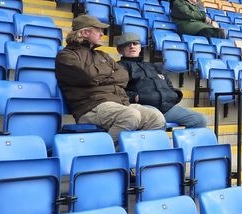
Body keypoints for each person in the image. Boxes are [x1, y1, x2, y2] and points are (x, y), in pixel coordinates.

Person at [55, 15, 166, 143]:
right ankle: (107, 155)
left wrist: (99, 77)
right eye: (98, 30)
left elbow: (123, 76)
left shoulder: (102, 55)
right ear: (85, 32)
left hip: (119, 103)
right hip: (90, 108)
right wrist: (109, 74)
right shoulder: (66, 55)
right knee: (130, 116)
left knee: (156, 117)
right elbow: (88, 77)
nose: (102, 34)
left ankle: (133, 153)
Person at [115, 33, 207, 128]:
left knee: (199, 119)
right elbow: (116, 91)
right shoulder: (119, 67)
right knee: (158, 121)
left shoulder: (154, 66)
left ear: (140, 48)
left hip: (166, 107)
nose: (132, 46)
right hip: (143, 107)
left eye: (135, 43)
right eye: (127, 44)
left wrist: (174, 94)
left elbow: (169, 85)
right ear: (120, 50)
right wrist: (135, 97)